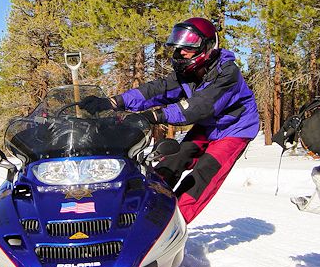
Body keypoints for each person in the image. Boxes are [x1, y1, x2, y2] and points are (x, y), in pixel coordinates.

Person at [80, 17, 260, 224]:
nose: (181, 52)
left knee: (203, 174)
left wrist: (155, 116)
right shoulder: (187, 73)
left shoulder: (227, 74)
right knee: (174, 158)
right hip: (209, 125)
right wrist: (114, 102)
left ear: (207, 47)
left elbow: (199, 106)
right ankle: (146, 208)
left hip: (235, 130)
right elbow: (156, 91)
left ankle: (172, 224)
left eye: (188, 48)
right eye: (178, 47)